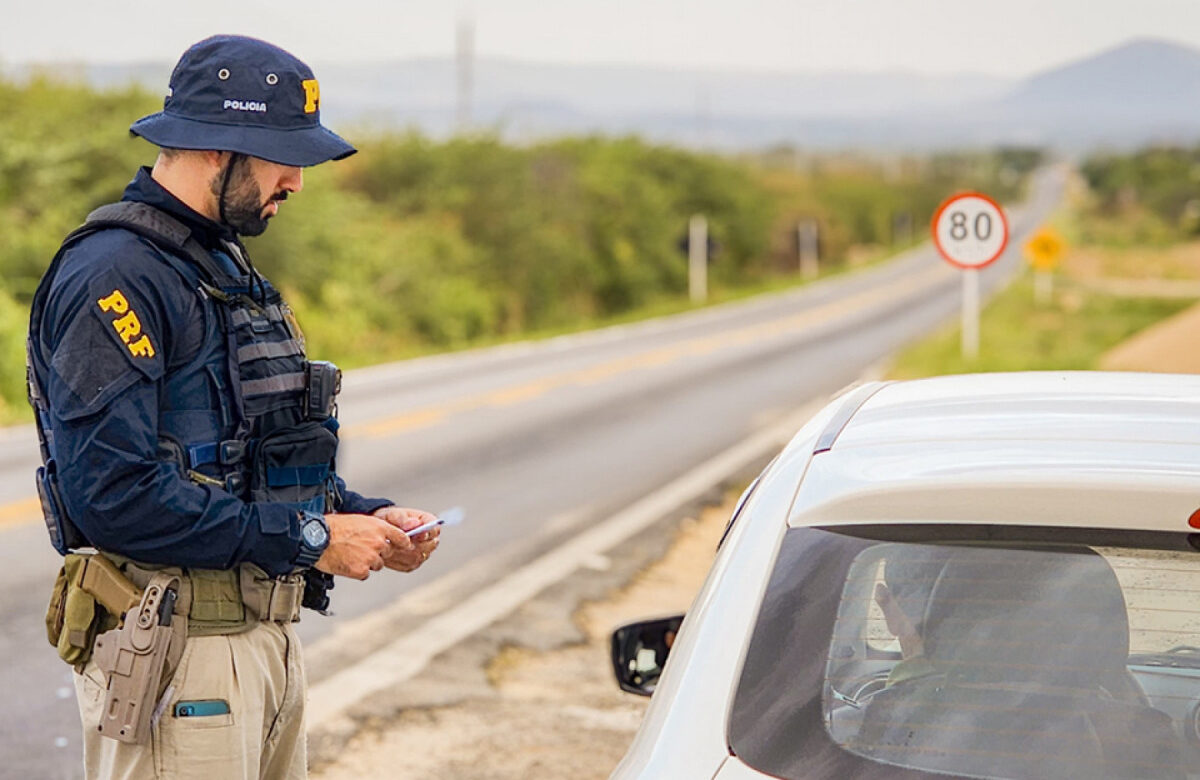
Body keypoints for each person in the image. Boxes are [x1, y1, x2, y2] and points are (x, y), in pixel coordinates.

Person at [27, 35, 440, 779]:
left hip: (257, 646)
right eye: (283, 157)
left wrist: (360, 515)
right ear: (218, 149)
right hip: (182, 658)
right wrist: (314, 539)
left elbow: (241, 454)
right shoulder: (114, 275)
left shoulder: (212, 259)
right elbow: (113, 496)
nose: (297, 182)